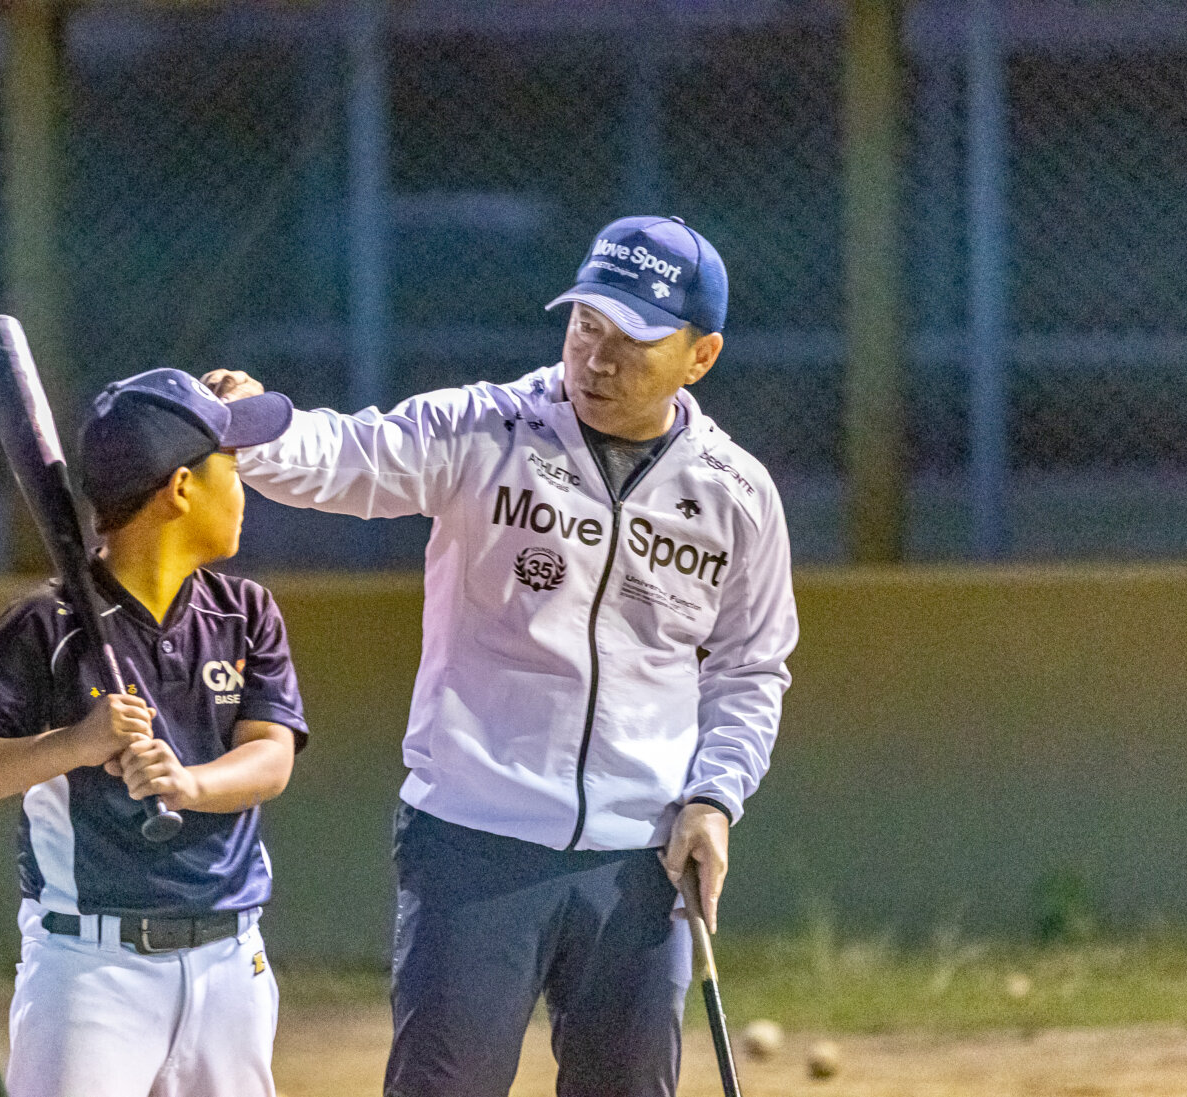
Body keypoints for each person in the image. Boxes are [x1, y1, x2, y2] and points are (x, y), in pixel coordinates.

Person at [205, 215, 798, 1097]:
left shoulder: (737, 495)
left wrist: (715, 796)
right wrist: (242, 424)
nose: (596, 359)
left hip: (641, 859)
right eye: (585, 325)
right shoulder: (488, 430)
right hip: (473, 843)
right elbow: (349, 454)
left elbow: (751, 667)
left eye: (633, 339)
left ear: (699, 356)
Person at [0, 369, 307, 1097]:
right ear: (182, 488)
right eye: (231, 465)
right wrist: (71, 745)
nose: (244, 483)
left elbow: (271, 755)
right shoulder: (51, 622)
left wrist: (190, 784)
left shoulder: (245, 612)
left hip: (230, 961)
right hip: (91, 970)